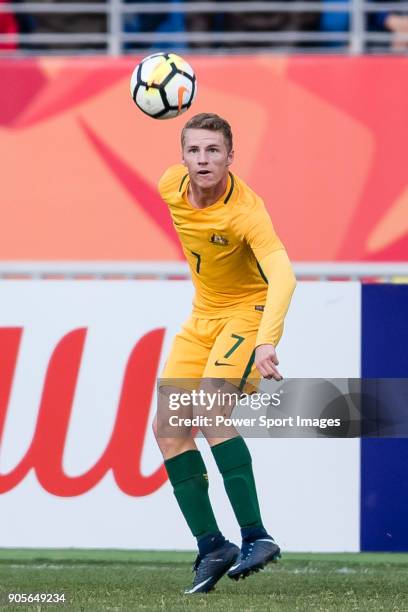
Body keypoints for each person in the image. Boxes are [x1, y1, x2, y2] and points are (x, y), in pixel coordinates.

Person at [153, 113, 296, 594]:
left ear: (231, 157)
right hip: (202, 319)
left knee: (211, 406)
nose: (203, 159)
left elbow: (284, 275)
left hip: (246, 313)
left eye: (214, 150)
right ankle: (212, 545)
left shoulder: (246, 212)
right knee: (168, 427)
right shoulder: (170, 186)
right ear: (183, 158)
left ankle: (257, 536)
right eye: (194, 150)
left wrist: (266, 339)